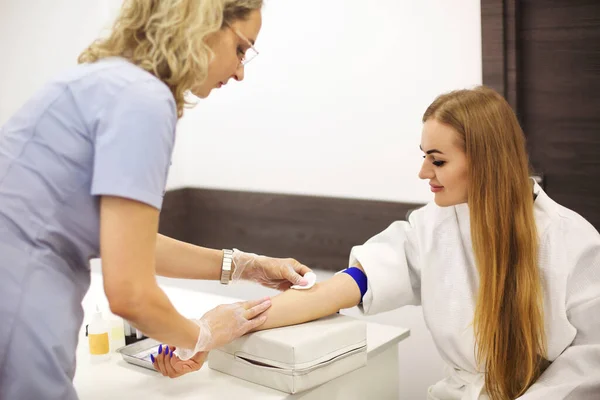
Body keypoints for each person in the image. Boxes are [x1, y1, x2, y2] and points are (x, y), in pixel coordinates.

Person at [155, 86, 600, 400]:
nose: (424, 174)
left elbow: (588, 367)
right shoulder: (432, 228)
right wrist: (215, 327)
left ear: (487, 161)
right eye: (423, 157)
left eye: (438, 160)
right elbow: (342, 288)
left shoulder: (572, 242)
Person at [0, 1, 313, 398]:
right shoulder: (144, 101)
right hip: (18, 309)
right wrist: (202, 334)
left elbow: (131, 243)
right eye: (240, 49)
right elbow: (130, 292)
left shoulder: (109, 83)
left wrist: (246, 267)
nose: (239, 72)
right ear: (202, 21)